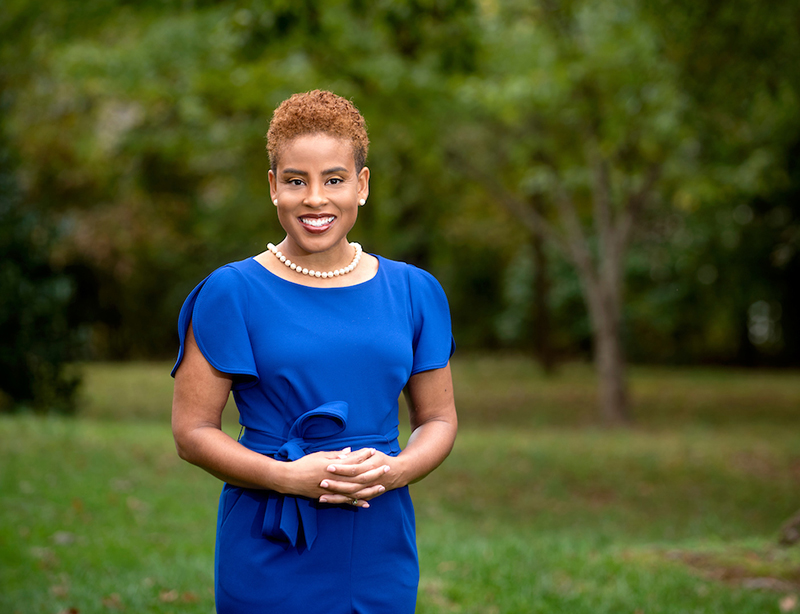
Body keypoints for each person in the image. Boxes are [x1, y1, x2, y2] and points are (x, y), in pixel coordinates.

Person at [171, 89, 457, 613]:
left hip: (378, 531)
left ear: (362, 186)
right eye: (296, 180)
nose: (315, 199)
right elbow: (192, 433)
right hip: (270, 533)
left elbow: (438, 418)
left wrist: (398, 469)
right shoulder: (230, 292)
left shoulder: (415, 291)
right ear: (273, 188)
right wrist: (285, 477)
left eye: (334, 179)